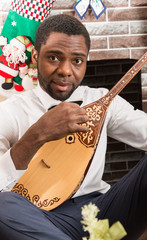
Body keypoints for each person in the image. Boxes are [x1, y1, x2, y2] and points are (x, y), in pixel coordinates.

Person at [0, 14, 146, 240]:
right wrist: (38, 134)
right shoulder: (9, 112)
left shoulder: (102, 100)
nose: (66, 70)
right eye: (54, 58)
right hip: (39, 219)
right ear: (36, 57)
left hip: (104, 213)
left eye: (77, 60)